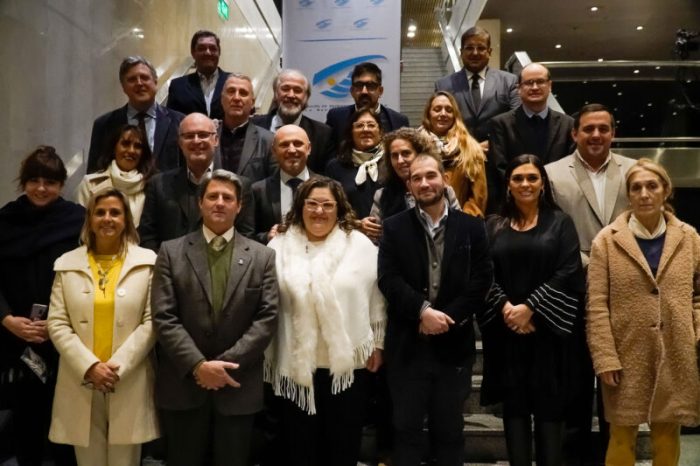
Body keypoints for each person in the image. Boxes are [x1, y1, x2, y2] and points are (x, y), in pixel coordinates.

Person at [151, 169, 278, 466]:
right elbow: (164, 316)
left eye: (227, 197)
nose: (219, 202)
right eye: (212, 196)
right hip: (183, 385)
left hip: (237, 384)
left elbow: (267, 318)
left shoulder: (263, 256)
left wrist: (224, 367)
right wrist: (198, 365)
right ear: (200, 203)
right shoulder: (170, 252)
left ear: (239, 205)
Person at [378, 153, 493, 466]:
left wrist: (446, 319)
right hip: (407, 346)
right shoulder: (394, 227)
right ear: (409, 186)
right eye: (416, 178)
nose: (424, 183)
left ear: (445, 179)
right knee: (406, 431)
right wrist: (422, 311)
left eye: (430, 175)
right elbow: (388, 279)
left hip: (454, 348)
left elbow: (482, 280)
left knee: (450, 432)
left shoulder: (472, 227)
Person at [264, 176, 386, 466]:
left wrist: (378, 343)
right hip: (294, 365)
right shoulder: (278, 246)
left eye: (327, 205)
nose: (319, 211)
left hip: (347, 368)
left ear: (339, 208)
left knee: (342, 447)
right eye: (312, 204)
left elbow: (376, 298)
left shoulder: (360, 245)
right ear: (300, 206)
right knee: (298, 449)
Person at [587, 158, 700, 466]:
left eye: (652, 186)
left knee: (667, 434)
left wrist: (695, 332)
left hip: (675, 350)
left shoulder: (689, 237)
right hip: (626, 352)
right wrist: (605, 356)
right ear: (629, 195)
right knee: (621, 435)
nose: (644, 194)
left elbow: (698, 294)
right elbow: (596, 305)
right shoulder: (607, 241)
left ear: (666, 190)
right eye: (636, 188)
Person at [478, 154, 585, 466]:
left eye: (532, 178)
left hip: (548, 334)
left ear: (543, 185)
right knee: (515, 410)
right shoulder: (493, 225)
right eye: (518, 178)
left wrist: (530, 308)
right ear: (508, 185)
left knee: (550, 410)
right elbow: (483, 273)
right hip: (507, 333)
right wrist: (507, 308)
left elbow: (568, 271)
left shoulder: (561, 222)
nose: (525, 184)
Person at [545, 103, 636, 463]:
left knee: (618, 385)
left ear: (613, 133)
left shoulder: (634, 171)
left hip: (625, 291)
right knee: (576, 384)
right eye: (588, 129)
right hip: (574, 291)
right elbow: (552, 233)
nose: (596, 135)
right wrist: (594, 263)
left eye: (603, 129)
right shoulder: (551, 174)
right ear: (574, 134)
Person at [47, 188, 159, 465]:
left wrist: (116, 368)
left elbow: (152, 322)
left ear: (126, 219)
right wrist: (90, 366)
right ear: (89, 219)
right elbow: (57, 322)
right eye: (100, 212)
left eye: (115, 212)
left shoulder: (147, 262)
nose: (107, 218)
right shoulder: (66, 264)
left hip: (127, 377)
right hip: (81, 376)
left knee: (125, 460)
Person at [0, 146, 82, 466]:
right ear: (23, 183)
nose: (41, 188)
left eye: (50, 182)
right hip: (15, 336)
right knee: (25, 419)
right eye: (34, 180)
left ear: (61, 184)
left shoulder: (77, 219)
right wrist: (8, 319)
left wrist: (59, 323)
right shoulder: (6, 220)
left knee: (66, 418)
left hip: (64, 334)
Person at [138, 113, 255, 251]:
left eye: (203, 135)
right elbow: (147, 235)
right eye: (189, 136)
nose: (196, 141)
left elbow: (245, 238)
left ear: (216, 140)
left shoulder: (240, 186)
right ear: (180, 143)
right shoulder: (158, 184)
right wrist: (167, 262)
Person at [489, 63, 574, 209]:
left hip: (557, 205)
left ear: (550, 86)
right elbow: (499, 168)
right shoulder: (501, 124)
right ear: (519, 88)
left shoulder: (568, 124)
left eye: (540, 81)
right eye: (528, 83)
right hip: (515, 206)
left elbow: (570, 168)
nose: (535, 87)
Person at [87, 56, 184, 173]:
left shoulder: (180, 122)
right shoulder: (104, 125)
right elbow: (95, 172)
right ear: (123, 87)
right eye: (132, 79)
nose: (139, 83)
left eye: (144, 77)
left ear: (155, 82)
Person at [366, 128, 459, 242]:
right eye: (394, 156)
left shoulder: (445, 191)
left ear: (420, 154)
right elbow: (375, 240)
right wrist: (365, 228)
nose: (400, 161)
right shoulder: (382, 195)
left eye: (406, 153)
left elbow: (460, 229)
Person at [434, 26, 519, 144]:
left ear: (489, 52)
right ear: (461, 52)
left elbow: (516, 120)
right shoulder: (443, 85)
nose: (475, 53)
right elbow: (438, 123)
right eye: (469, 48)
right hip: (459, 152)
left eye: (481, 48)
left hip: (499, 151)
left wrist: (493, 144)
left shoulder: (509, 81)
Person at [418, 91, 488, 217]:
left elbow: (478, 196)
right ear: (428, 114)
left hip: (459, 221)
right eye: (437, 109)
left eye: (449, 110)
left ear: (455, 115)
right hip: (420, 220)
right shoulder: (415, 146)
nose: (443, 114)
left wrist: (461, 220)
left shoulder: (470, 148)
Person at [251, 69, 335, 173]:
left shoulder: (323, 134)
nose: (291, 95)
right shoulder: (253, 126)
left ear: (306, 97)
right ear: (275, 94)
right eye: (285, 89)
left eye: (298, 90)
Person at [77, 124, 154, 226]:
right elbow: (82, 227)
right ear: (114, 148)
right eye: (125, 144)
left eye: (137, 146)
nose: (131, 150)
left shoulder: (152, 186)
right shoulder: (90, 183)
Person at [252, 124, 313, 244]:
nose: (292, 150)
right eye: (284, 145)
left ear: (309, 148)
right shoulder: (257, 191)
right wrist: (267, 237)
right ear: (274, 151)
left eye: (298, 144)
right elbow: (247, 236)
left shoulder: (329, 188)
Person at [325, 62, 409, 142]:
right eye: (359, 86)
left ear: (380, 91)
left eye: (370, 86)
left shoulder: (398, 121)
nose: (364, 91)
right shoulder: (336, 118)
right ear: (352, 91)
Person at [215, 73, 276, 182]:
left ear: (252, 103)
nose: (236, 98)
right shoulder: (206, 136)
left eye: (243, 93)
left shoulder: (269, 141)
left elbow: (273, 183)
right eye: (231, 91)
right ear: (222, 99)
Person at [326, 108, 385, 221]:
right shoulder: (335, 167)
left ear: (381, 132)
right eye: (359, 126)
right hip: (350, 230)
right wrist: (357, 224)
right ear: (351, 132)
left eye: (371, 125)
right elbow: (331, 208)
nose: (366, 129)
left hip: (389, 230)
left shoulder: (391, 162)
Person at [166, 30, 230, 120]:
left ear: (219, 52)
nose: (208, 52)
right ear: (193, 53)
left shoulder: (233, 82)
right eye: (202, 48)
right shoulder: (177, 86)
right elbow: (171, 121)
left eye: (212, 48)